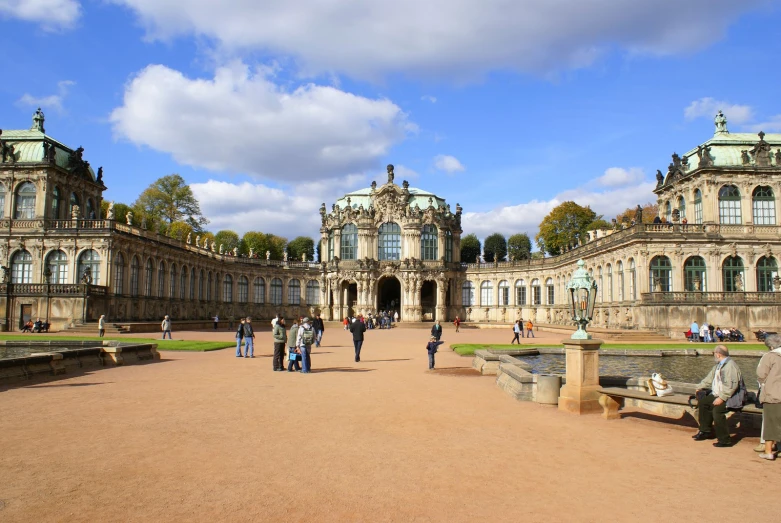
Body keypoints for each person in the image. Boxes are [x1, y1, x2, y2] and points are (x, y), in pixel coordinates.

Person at [692, 345, 742, 447]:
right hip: (718, 394)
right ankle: (706, 431)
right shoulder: (718, 365)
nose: (713, 355)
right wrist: (699, 387)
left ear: (718, 354)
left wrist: (722, 398)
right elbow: (709, 379)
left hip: (731, 396)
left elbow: (732, 386)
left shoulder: (730, 366)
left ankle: (725, 440)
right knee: (704, 403)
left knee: (717, 411)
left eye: (714, 353)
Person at [756, 333, 781, 460]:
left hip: (773, 394)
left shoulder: (769, 357)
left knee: (770, 424)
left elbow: (761, 374)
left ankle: (768, 451)